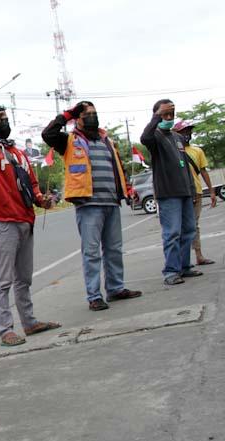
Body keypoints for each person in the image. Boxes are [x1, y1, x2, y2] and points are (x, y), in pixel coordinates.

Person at [0, 106, 61, 346]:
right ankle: (5, 330)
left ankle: (29, 323)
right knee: (4, 280)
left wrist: (42, 199)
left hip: (26, 220)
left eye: (5, 118)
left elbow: (31, 184)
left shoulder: (19, 153)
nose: (5, 122)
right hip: (5, 222)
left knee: (24, 278)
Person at [42, 101, 142, 310]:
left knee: (114, 249)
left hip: (111, 202)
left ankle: (115, 289)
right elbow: (48, 134)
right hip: (89, 204)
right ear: (77, 118)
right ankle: (94, 296)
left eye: (94, 113)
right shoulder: (69, 140)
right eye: (87, 114)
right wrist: (67, 114)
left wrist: (125, 192)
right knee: (92, 252)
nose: (92, 117)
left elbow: (117, 168)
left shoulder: (106, 140)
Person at [140, 100, 199, 285]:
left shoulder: (177, 137)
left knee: (188, 230)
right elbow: (144, 138)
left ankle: (184, 266)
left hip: (185, 192)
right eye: (164, 114)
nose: (168, 117)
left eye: (171, 113)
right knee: (172, 232)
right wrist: (157, 116)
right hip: (168, 193)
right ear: (157, 115)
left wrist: (192, 190)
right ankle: (171, 272)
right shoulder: (155, 137)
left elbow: (185, 166)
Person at [172, 120, 218, 266]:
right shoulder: (174, 151)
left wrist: (211, 192)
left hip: (196, 192)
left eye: (189, 131)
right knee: (178, 228)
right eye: (184, 131)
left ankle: (199, 256)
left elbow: (203, 172)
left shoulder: (197, 151)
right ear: (177, 134)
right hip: (180, 194)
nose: (187, 134)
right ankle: (180, 261)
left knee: (193, 226)